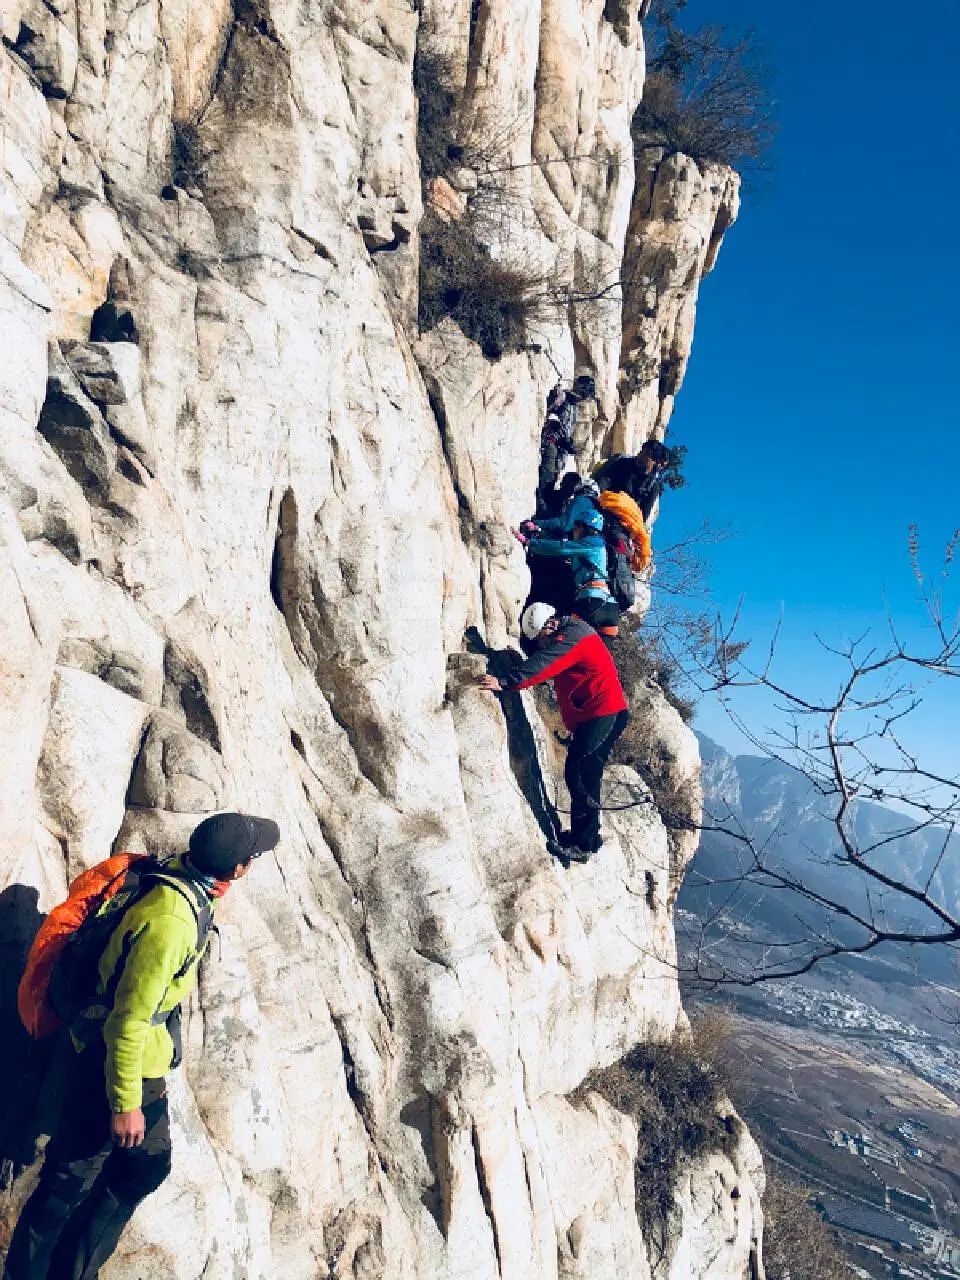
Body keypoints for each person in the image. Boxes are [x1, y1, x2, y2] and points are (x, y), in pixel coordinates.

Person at [3, 812, 281, 1280]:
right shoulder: (170, 922)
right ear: (236, 870)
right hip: (105, 1065)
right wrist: (126, 1103)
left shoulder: (175, 873)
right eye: (251, 858)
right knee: (69, 1180)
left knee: (146, 1166)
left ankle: (70, 1269)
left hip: (130, 1063)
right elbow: (128, 1022)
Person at [475, 604, 629, 863]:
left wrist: (505, 682)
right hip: (600, 715)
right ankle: (589, 836)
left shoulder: (571, 637)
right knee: (585, 773)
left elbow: (544, 665)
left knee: (580, 773)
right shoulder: (573, 632)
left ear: (549, 626)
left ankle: (583, 845)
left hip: (604, 714)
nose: (542, 646)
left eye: (541, 640)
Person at [515, 502, 620, 639]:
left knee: (565, 641)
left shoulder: (590, 543)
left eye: (576, 527)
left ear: (583, 527)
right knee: (594, 653)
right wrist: (539, 531)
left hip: (591, 601)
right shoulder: (599, 545)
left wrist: (530, 542)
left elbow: (561, 547)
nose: (574, 531)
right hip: (610, 608)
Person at [536, 377, 597, 516]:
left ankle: (549, 503)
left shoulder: (574, 407)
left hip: (561, 449)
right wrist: (555, 427)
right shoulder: (563, 397)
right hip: (551, 442)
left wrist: (569, 443)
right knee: (548, 472)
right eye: (585, 392)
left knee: (560, 477)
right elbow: (549, 413)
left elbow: (567, 429)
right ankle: (541, 499)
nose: (584, 397)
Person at [592, 438, 671, 521]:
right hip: (601, 505)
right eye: (642, 451)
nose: (641, 456)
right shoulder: (622, 462)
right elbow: (603, 481)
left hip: (622, 521)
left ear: (655, 462)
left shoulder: (653, 487)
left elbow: (642, 517)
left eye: (647, 454)